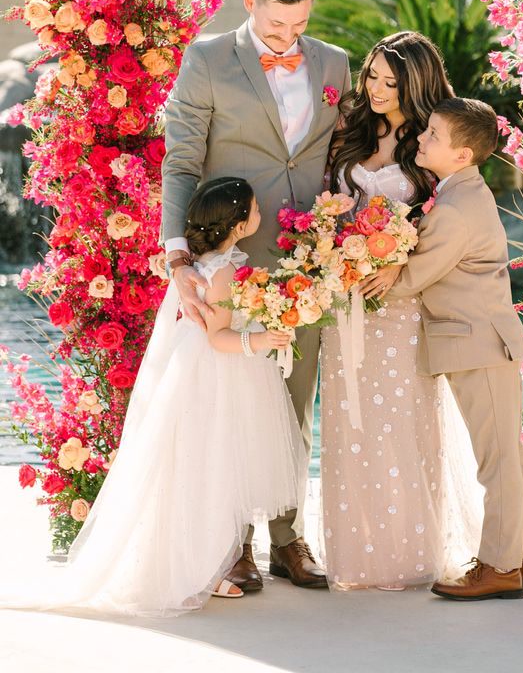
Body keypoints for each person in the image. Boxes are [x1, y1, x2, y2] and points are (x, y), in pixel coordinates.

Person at [3, 177, 304, 618]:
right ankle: (197, 570)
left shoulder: (202, 264)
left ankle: (206, 563)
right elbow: (219, 336)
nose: (261, 214)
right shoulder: (221, 274)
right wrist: (261, 341)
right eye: (255, 210)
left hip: (194, 374)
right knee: (214, 470)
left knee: (197, 469)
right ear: (238, 225)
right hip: (216, 377)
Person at [162, 0, 350, 591]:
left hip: (308, 261)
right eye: (275, 25)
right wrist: (178, 253)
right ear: (250, 3)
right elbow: (182, 158)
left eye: (298, 24)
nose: (288, 37)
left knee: (295, 403)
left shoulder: (334, 64)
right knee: (232, 404)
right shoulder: (208, 59)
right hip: (231, 263)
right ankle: (231, 543)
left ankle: (288, 538)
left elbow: (339, 157)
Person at [362, 98, 523, 600]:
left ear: (463, 155)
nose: (422, 138)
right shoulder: (461, 194)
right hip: (482, 342)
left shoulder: (454, 210)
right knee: (508, 457)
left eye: (433, 135)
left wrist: (372, 270)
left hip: (477, 345)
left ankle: (498, 567)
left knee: (495, 463)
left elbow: (411, 279)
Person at [320, 31, 458, 590]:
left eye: (391, 81)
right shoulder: (351, 129)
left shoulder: (431, 142)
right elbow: (325, 203)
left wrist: (400, 263)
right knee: (347, 423)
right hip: (341, 298)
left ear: (415, 83)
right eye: (372, 76)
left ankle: (409, 556)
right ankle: (356, 559)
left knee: (401, 424)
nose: (377, 89)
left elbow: (445, 219)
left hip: (400, 306)